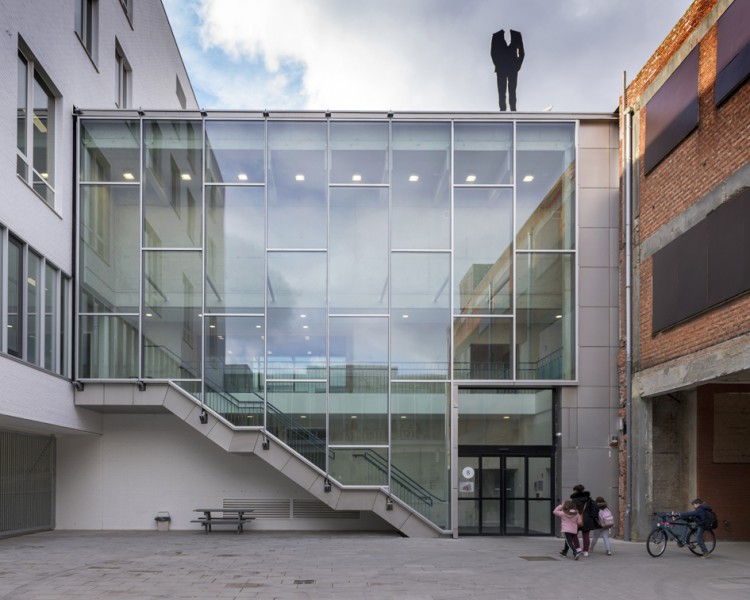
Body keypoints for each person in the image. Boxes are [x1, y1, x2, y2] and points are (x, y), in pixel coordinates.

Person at [490, 29, 524, 111]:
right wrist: (497, 64)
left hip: (512, 67)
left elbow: (522, 52)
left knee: (512, 90)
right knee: (501, 91)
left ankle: (513, 109)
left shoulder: (517, 35)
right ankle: (502, 109)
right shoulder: (496, 36)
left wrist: (517, 65)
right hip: (501, 68)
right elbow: (492, 52)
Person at [570, 484, 598, 556]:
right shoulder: (588, 499)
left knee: (573, 534)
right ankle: (585, 551)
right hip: (587, 518)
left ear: (575, 490)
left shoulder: (574, 500)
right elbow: (593, 508)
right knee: (586, 535)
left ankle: (578, 548)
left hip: (576, 518)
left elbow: (572, 509)